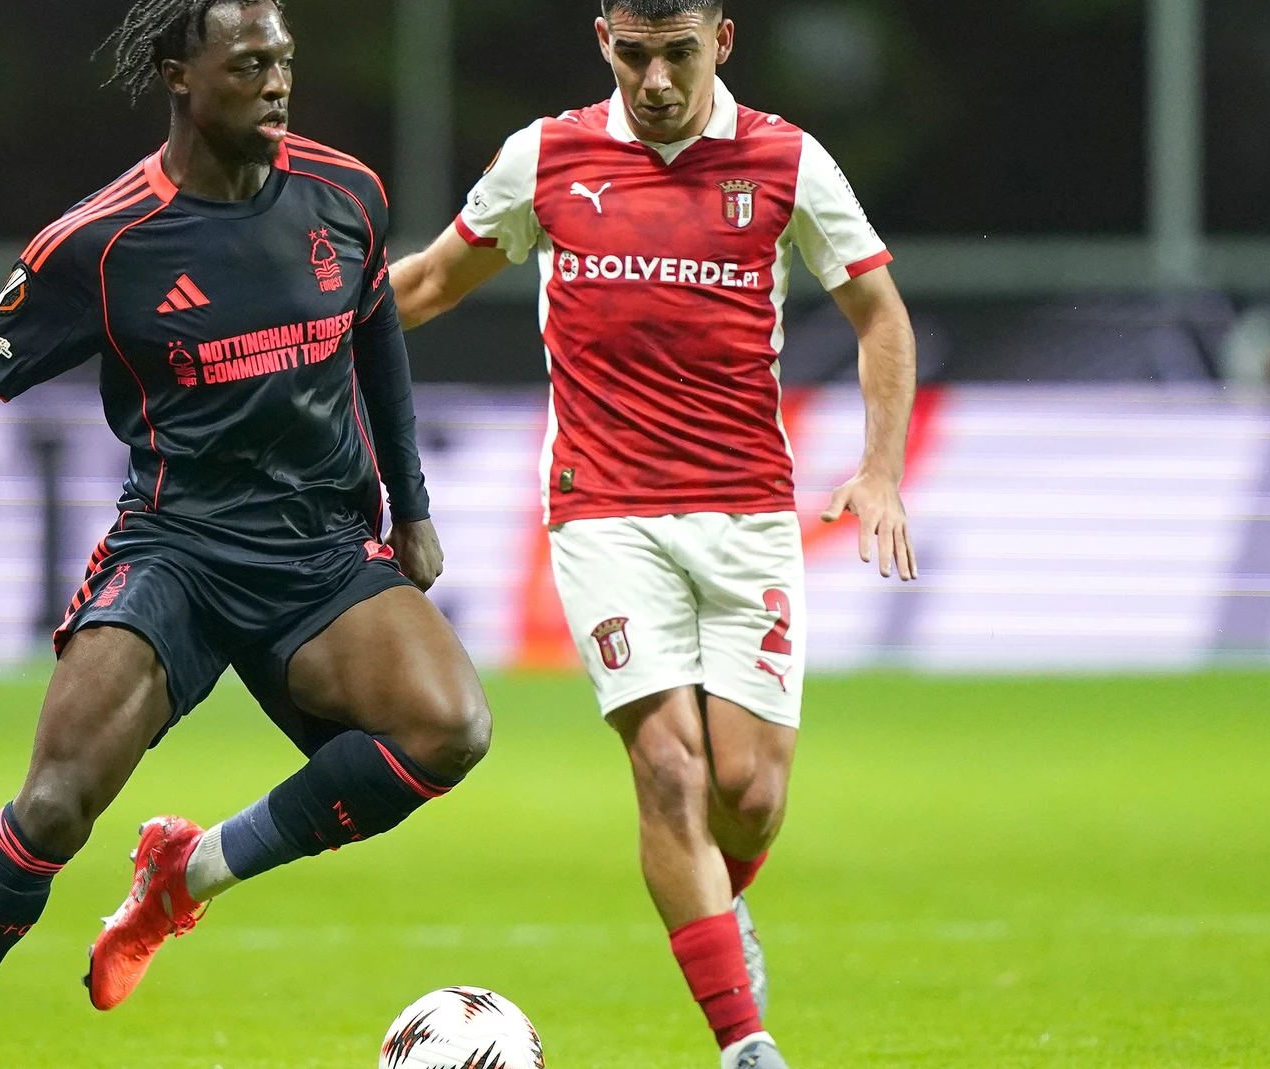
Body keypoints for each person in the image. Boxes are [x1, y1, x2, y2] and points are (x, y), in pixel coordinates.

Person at [0, 3, 492, 1066]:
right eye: (249, 65)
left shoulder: (347, 194)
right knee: (53, 809)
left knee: (449, 730)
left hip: (319, 550)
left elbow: (376, 330)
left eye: (283, 62)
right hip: (177, 553)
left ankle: (185, 876)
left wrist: (412, 507)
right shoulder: (100, 244)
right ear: (179, 78)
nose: (277, 82)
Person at [391, 1, 917, 1065]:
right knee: (671, 771)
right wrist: (298, 330)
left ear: (721, 41)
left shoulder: (785, 161)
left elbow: (879, 316)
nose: (657, 79)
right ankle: (743, 1041)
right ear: (603, 41)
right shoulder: (545, 158)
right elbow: (435, 281)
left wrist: (879, 469)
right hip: (603, 510)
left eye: (679, 53)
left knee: (748, 793)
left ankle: (721, 909)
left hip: (747, 511)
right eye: (634, 54)